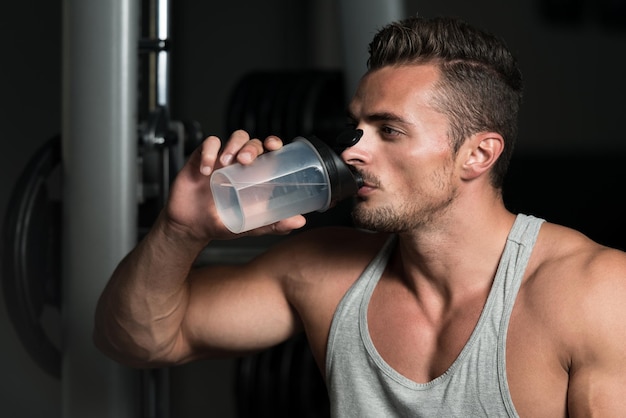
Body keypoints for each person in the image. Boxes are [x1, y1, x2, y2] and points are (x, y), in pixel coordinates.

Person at [94, 15, 626, 417]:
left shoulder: (593, 292)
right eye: (357, 126)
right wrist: (180, 230)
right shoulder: (322, 270)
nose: (352, 151)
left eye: (388, 130)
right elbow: (138, 340)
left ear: (478, 155)